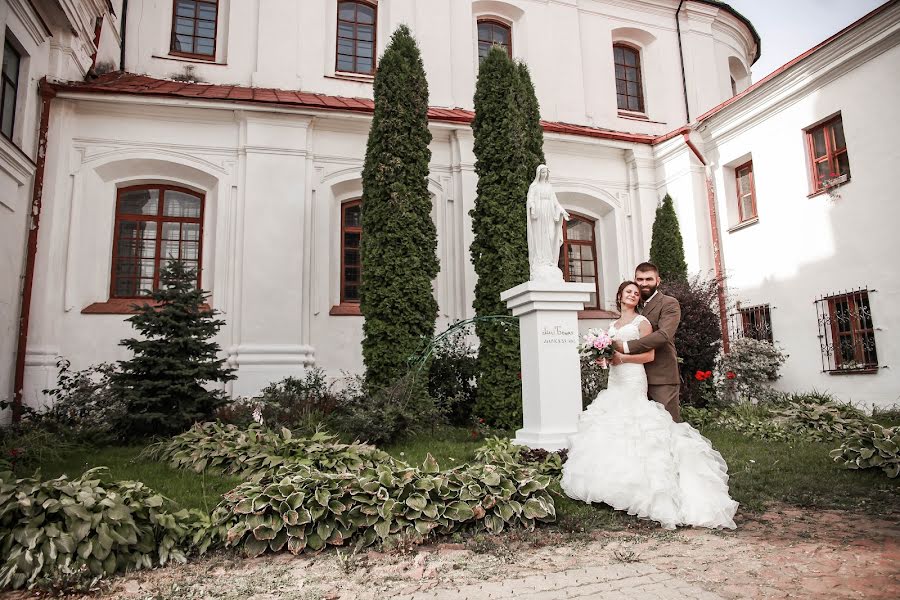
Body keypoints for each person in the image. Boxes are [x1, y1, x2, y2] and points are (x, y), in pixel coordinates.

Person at [561, 279, 738, 530]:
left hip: (633, 378)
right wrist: (605, 360)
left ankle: (646, 491)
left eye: (636, 293)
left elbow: (649, 355)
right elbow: (609, 356)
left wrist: (622, 357)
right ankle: (611, 487)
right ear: (620, 296)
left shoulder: (642, 323)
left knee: (636, 424)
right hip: (616, 380)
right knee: (610, 426)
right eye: (628, 292)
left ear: (638, 299)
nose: (632, 295)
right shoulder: (611, 326)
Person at [612, 262, 682, 422]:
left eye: (648, 279)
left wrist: (626, 347)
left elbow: (664, 334)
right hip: (632, 379)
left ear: (658, 281)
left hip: (660, 376)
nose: (643, 283)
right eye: (640, 279)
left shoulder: (669, 303)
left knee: (667, 426)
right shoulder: (633, 305)